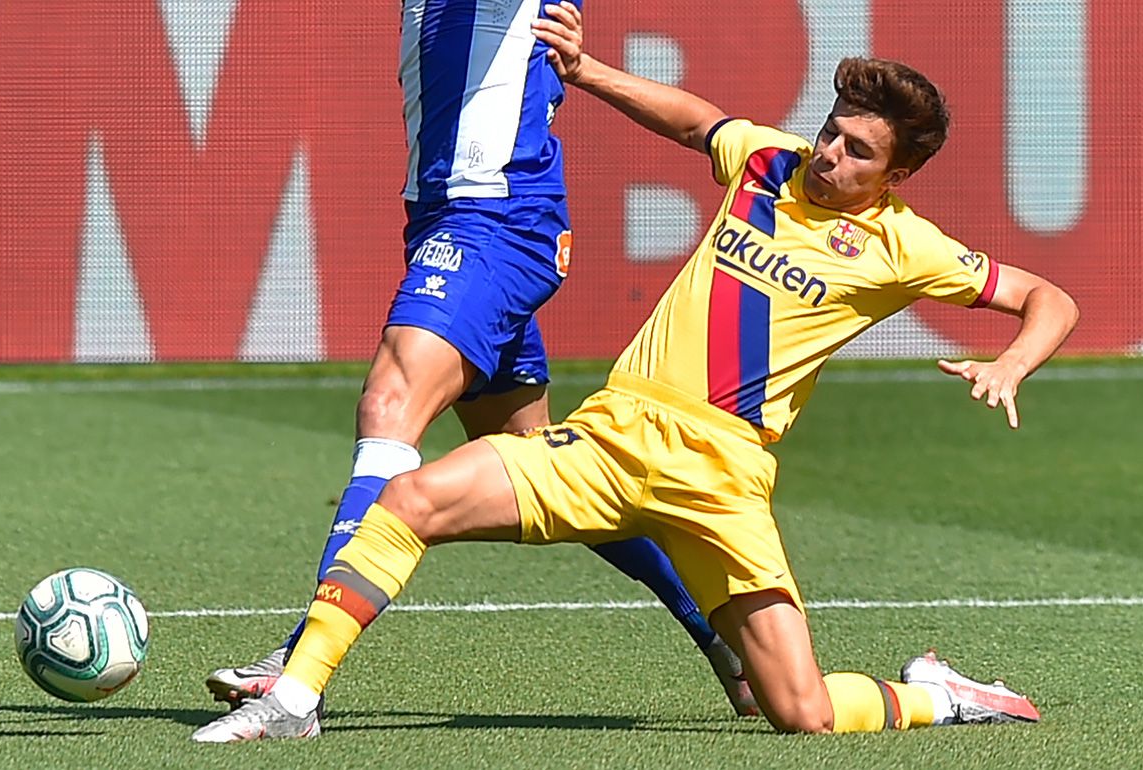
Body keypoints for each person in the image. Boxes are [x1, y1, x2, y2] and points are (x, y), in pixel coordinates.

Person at [191, 1, 1079, 742]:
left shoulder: (906, 246)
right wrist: (587, 72)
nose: (828, 154)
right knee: (407, 500)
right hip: (615, 439)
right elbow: (696, 121)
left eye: (855, 151)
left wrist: (1010, 363)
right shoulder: (768, 160)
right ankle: (293, 700)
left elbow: (1050, 297)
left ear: (900, 173)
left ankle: (944, 695)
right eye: (830, 131)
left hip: (725, 482)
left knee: (798, 712)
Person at [203, 0, 756, 718]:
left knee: (387, 405)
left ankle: (300, 663)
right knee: (540, 462)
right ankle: (721, 636)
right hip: (450, 215)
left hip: (493, 218)